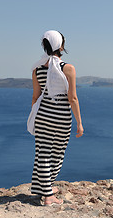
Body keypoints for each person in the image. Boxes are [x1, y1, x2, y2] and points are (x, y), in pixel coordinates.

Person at [29, 30, 83, 206]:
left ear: (45, 46)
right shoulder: (68, 68)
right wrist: (79, 123)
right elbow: (72, 98)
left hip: (43, 114)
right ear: (61, 46)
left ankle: (44, 187)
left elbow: (35, 97)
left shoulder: (36, 70)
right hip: (61, 116)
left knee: (42, 153)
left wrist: (38, 117)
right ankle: (48, 195)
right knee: (57, 153)